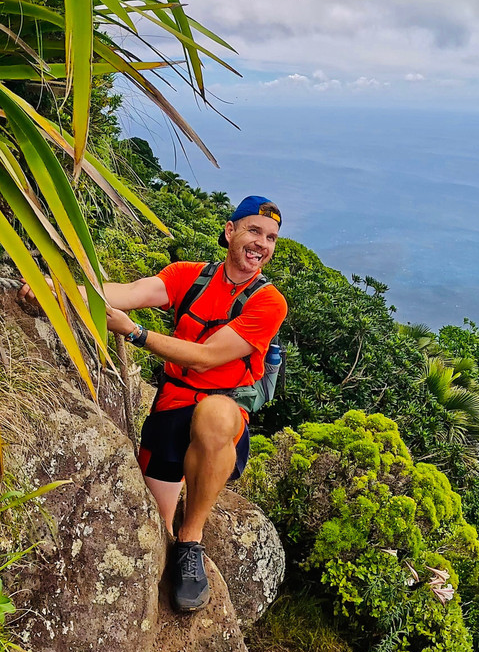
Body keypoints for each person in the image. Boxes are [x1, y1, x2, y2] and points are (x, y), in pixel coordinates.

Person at [19, 196, 287, 612]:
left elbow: (206, 357)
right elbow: (129, 292)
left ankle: (192, 540)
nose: (262, 244)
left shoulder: (269, 302)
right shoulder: (190, 276)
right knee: (155, 524)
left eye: (271, 238)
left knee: (215, 416)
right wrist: (61, 291)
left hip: (221, 407)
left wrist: (136, 334)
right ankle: (172, 535)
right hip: (171, 407)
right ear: (230, 230)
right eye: (254, 230)